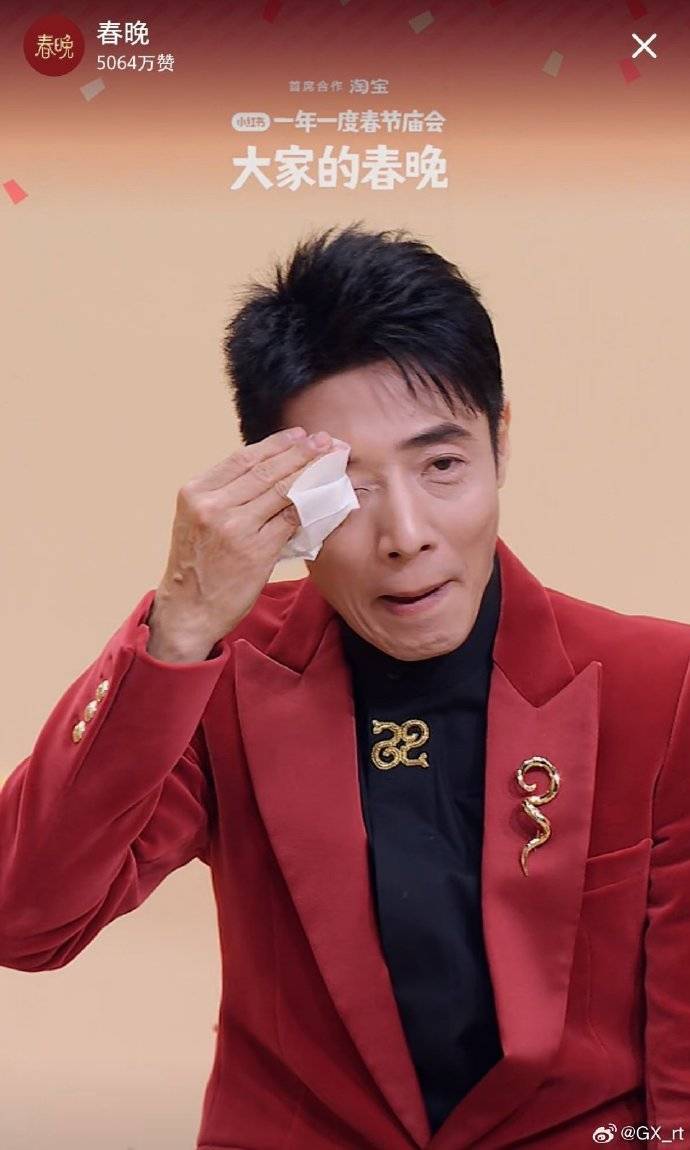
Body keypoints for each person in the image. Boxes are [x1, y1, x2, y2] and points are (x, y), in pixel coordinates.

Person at [1, 222, 689, 1150]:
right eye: (349, 489)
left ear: (500, 443)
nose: (407, 534)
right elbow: (27, 921)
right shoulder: (220, 675)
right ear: (279, 494)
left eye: (442, 465)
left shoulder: (662, 686)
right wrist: (181, 626)